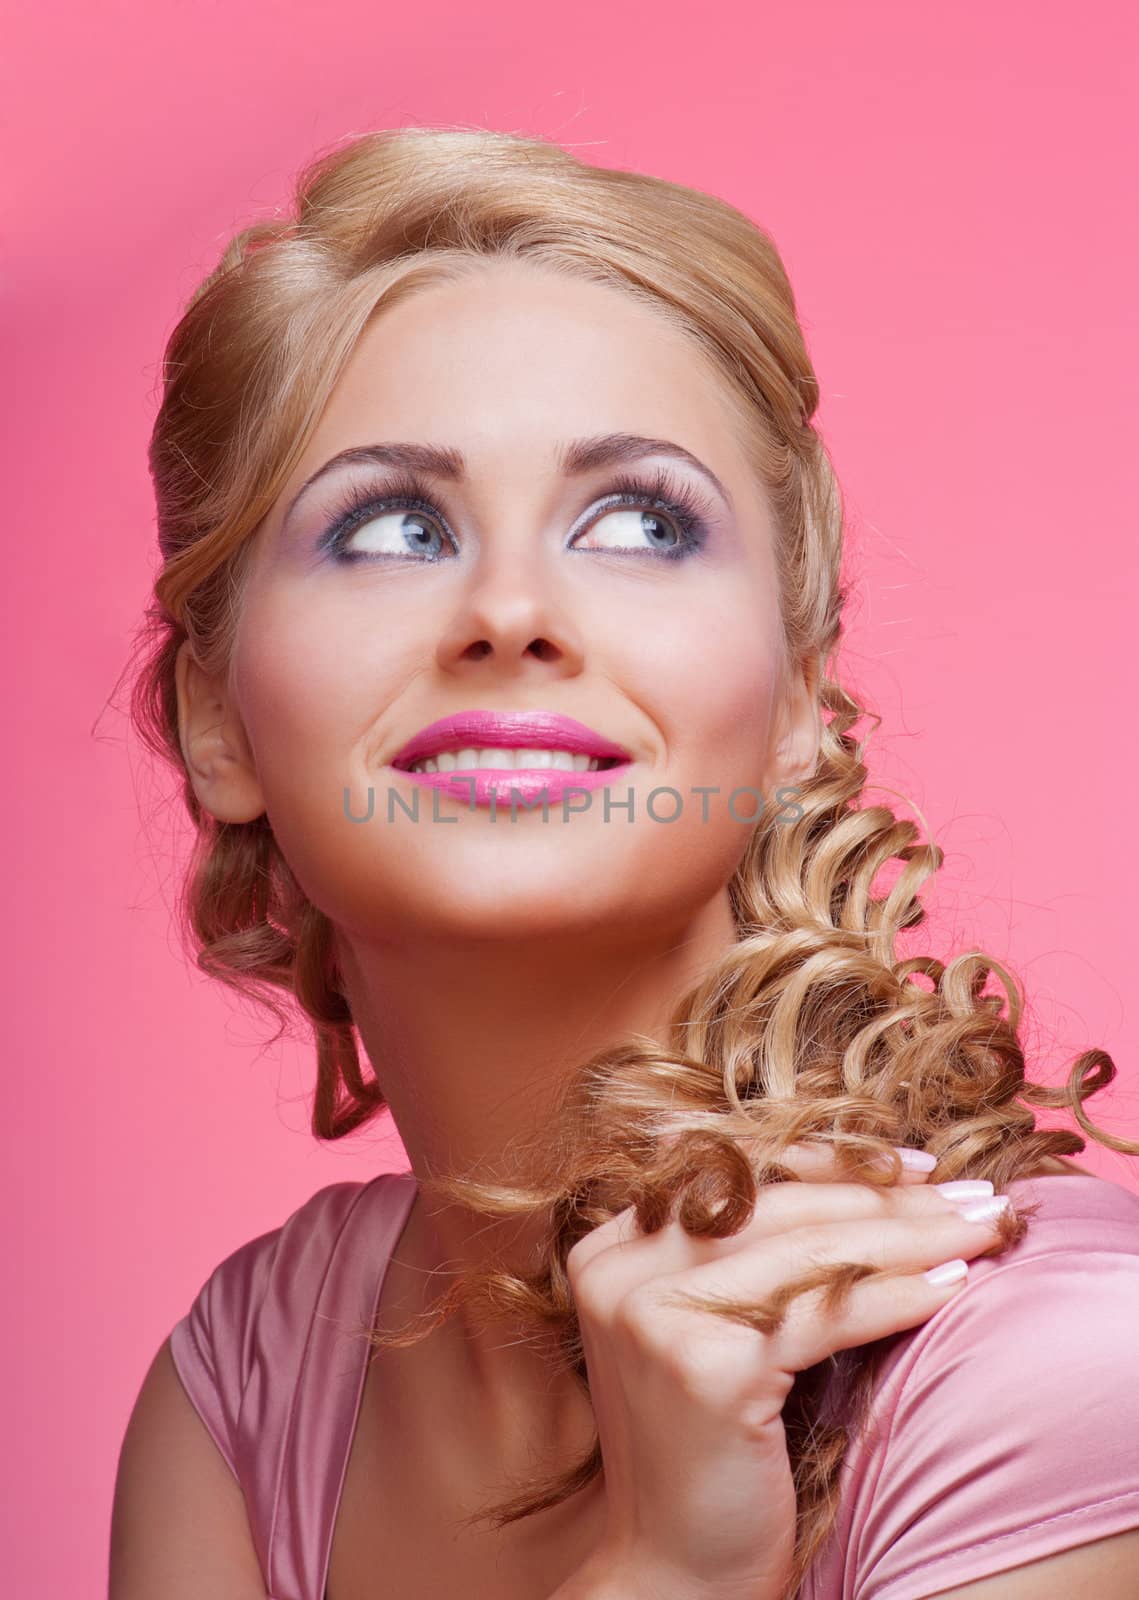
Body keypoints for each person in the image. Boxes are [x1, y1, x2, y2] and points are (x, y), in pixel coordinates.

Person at [109, 127, 1139, 1600]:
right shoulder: (245, 1381)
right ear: (217, 720)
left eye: (639, 522)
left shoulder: (1051, 1377)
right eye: (392, 526)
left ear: (794, 697)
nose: (514, 608)